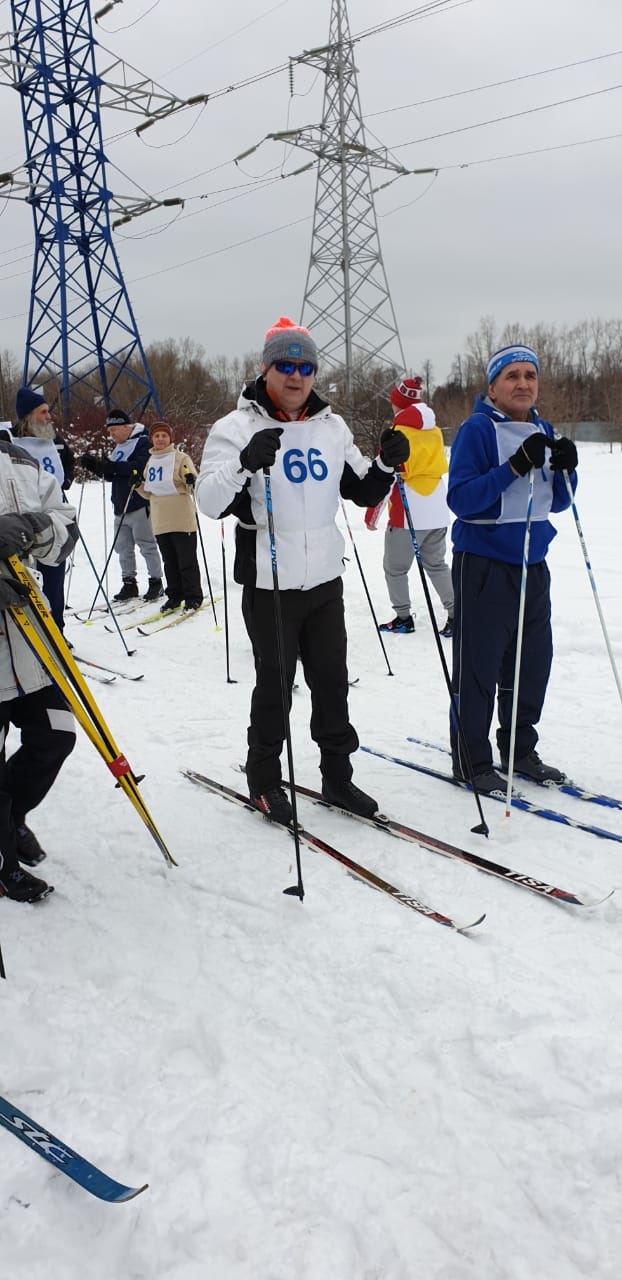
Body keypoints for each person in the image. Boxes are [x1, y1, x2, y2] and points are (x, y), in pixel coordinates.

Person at [196, 316, 409, 824]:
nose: (296, 377)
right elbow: (207, 500)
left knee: (333, 682)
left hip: (323, 583)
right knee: (275, 684)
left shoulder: (330, 427)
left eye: (306, 367)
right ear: (266, 370)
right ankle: (265, 780)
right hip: (269, 583)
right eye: (286, 366)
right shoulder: (236, 427)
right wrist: (244, 462)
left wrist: (385, 465)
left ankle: (338, 777)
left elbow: (360, 489)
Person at [447, 343, 578, 795]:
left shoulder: (543, 428)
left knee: (531, 664)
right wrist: (514, 466)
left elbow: (558, 502)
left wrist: (567, 469)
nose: (523, 383)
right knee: (479, 668)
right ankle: (472, 759)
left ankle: (519, 749)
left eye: (530, 375)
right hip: (483, 564)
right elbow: (461, 500)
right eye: (512, 376)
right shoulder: (477, 429)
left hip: (532, 565)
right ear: (493, 386)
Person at [0, 422, 78, 903]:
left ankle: (9, 817)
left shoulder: (22, 462)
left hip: (27, 634)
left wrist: (32, 528)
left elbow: (65, 527)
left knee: (57, 733)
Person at [366, 375, 454, 637]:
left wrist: (371, 516)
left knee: (395, 568)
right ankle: (457, 614)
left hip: (407, 514)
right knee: (437, 565)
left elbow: (384, 477)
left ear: (398, 404)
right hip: (437, 509)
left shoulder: (396, 435)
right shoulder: (435, 432)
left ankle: (403, 617)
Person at [80, 409, 163, 602]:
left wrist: (112, 467)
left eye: (115, 430)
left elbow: (139, 467)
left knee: (146, 545)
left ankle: (156, 582)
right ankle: (129, 583)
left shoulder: (142, 443)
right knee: (123, 548)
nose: (112, 435)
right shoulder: (119, 447)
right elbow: (112, 473)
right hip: (119, 506)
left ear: (127, 427)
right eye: (109, 431)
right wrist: (97, 466)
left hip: (139, 504)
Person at [13, 386, 75, 631]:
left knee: (54, 575)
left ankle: (57, 630)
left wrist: (66, 481)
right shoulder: (11, 441)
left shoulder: (54, 439)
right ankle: (30, 632)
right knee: (26, 579)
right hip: (22, 518)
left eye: (48, 411)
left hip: (52, 515)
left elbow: (67, 461)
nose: (49, 416)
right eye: (43, 412)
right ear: (28, 415)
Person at [136, 422, 203, 613]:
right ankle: (174, 596)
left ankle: (193, 597)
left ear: (170, 438)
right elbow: (149, 493)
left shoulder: (181, 458)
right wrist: (138, 485)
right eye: (156, 436)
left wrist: (191, 480)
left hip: (181, 517)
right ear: (151, 439)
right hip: (160, 518)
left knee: (186, 561)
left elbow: (193, 485)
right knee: (170, 561)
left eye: (164, 436)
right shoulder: (151, 461)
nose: (160, 439)